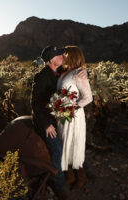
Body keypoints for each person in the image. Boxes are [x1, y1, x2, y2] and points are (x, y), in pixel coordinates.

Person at [31, 45, 87, 199]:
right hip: (47, 121)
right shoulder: (42, 76)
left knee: (71, 145)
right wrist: (46, 125)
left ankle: (78, 174)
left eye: (62, 53)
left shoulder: (62, 72)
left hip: (61, 117)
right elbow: (35, 103)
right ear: (51, 60)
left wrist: (84, 71)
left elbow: (75, 75)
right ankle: (60, 185)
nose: (62, 56)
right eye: (58, 55)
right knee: (58, 150)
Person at [57, 45, 93, 191]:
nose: (63, 55)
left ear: (72, 55)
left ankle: (81, 178)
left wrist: (72, 107)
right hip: (62, 115)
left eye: (65, 53)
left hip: (73, 116)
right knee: (64, 144)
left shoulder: (79, 73)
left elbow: (88, 98)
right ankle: (70, 176)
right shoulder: (64, 72)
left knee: (74, 146)